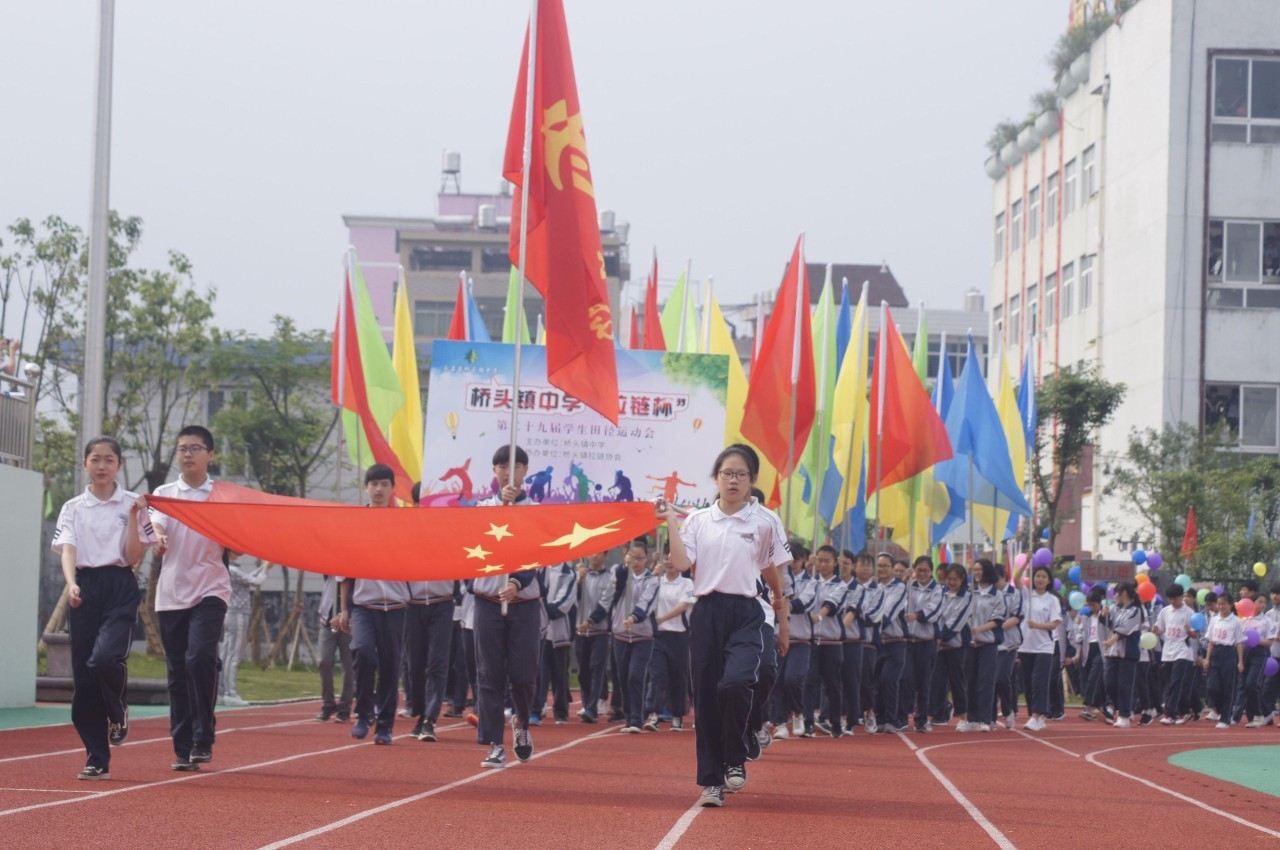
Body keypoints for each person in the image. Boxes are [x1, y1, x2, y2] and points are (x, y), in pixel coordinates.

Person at [658, 445, 788, 809]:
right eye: (727, 473)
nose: (733, 480)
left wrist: (778, 601)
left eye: (741, 474)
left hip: (746, 612)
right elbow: (684, 563)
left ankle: (735, 755)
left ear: (751, 481)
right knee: (706, 698)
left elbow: (768, 566)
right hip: (707, 611)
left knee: (737, 682)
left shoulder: (763, 521)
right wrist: (671, 520)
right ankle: (711, 782)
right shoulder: (698, 520)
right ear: (716, 478)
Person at [52, 436, 149, 780]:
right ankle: (96, 756)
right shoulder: (73, 507)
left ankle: (119, 711)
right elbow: (67, 549)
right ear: (85, 465)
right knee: (85, 677)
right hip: (85, 588)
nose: (102, 466)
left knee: (105, 658)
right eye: (95, 459)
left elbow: (135, 557)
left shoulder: (132, 504)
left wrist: (135, 517)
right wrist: (71, 582)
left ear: (119, 465)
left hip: (120, 585)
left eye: (109, 459)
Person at [144, 425, 233, 771]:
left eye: (195, 448)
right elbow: (158, 527)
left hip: (211, 588)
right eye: (182, 448)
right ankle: (183, 747)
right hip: (172, 594)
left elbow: (237, 546)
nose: (188, 454)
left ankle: (203, 735)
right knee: (178, 672)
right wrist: (159, 539)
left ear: (210, 455)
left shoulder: (221, 495)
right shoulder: (166, 493)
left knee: (199, 659)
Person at [471, 444, 542, 769]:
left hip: (524, 605)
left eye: (513, 466)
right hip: (487, 603)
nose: (506, 471)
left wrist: (516, 583)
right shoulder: (480, 509)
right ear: (494, 471)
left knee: (523, 675)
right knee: (489, 675)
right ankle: (494, 744)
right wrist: (502, 509)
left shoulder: (537, 511)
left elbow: (537, 554)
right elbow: (473, 546)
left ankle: (522, 724)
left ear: (524, 471)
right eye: (500, 466)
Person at [335, 464, 408, 746]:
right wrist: (343, 609)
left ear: (392, 489)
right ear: (366, 487)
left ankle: (385, 725)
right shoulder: (357, 522)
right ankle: (364, 713)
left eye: (384, 484)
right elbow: (344, 570)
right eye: (373, 484)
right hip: (363, 606)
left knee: (391, 667)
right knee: (363, 653)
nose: (378, 490)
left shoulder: (404, 523)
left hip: (396, 607)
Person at [587, 539, 659, 734]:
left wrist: (634, 617)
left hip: (642, 636)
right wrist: (624, 566)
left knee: (636, 675)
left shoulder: (651, 580)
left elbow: (646, 603)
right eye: (633, 558)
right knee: (623, 677)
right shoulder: (620, 572)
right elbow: (614, 588)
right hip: (620, 635)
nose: (637, 562)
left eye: (640, 558)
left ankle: (637, 717)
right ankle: (629, 717)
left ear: (646, 558)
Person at [646, 547, 695, 732]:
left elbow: (684, 606)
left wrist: (662, 618)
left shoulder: (688, 584)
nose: (669, 562)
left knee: (678, 678)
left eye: (673, 558)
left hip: (680, 637)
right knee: (658, 676)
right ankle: (654, 714)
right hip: (659, 637)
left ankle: (677, 716)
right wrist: (652, 575)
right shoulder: (656, 581)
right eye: (667, 558)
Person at [805, 546, 847, 737]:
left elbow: (831, 604)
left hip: (832, 642)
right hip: (812, 641)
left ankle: (836, 722)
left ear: (834, 562)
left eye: (827, 561)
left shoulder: (841, 585)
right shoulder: (811, 582)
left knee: (832, 685)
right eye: (820, 560)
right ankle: (807, 722)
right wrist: (807, 569)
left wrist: (819, 616)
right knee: (809, 681)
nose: (822, 564)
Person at [773, 544, 814, 740]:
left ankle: (798, 713)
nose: (793, 563)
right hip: (778, 635)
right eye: (790, 559)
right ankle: (780, 722)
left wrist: (784, 602)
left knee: (793, 678)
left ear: (804, 560)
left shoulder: (810, 582)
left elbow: (802, 605)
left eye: (797, 559)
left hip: (800, 638)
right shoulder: (779, 573)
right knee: (777, 680)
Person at [218, 557, 270, 707]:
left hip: (232, 614)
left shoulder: (231, 569)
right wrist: (265, 569)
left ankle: (222, 691)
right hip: (238, 614)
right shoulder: (231, 570)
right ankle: (231, 692)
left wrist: (263, 567)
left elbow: (248, 578)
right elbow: (255, 582)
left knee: (227, 653)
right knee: (234, 654)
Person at [959, 559, 1002, 733]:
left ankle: (985, 718)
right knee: (969, 681)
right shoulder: (969, 591)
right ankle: (972, 718)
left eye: (979, 570)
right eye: (974, 570)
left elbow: (997, 620)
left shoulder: (996, 594)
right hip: (969, 644)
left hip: (987, 644)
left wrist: (977, 630)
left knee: (985, 682)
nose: (976, 573)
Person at [1019, 565, 1062, 732]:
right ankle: (1036, 715)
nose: (1040, 579)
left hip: (1044, 647)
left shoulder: (1052, 600)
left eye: (1044, 576)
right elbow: (1015, 580)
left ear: (1049, 580)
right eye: (1037, 576)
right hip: (1026, 646)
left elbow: (1054, 624)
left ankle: (1036, 715)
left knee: (1039, 682)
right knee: (1028, 683)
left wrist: (1037, 625)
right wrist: (1026, 562)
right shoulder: (1027, 595)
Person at [537, 560, 578, 725]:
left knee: (559, 673)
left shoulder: (568, 574)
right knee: (540, 671)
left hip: (560, 631)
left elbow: (564, 603)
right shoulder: (541, 570)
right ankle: (537, 707)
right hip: (541, 630)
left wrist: (543, 611)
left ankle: (561, 711)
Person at [906, 556, 944, 733]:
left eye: (926, 570)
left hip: (926, 642)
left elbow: (933, 612)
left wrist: (916, 616)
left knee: (924, 683)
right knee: (906, 680)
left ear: (931, 572)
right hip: (908, 641)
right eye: (919, 570)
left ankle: (921, 719)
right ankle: (902, 715)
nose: (922, 574)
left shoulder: (937, 590)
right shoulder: (908, 587)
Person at [873, 558, 910, 734]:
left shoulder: (900, 588)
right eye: (879, 566)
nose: (882, 569)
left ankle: (891, 719)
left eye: (886, 566)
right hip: (878, 642)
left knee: (889, 679)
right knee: (877, 681)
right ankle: (879, 718)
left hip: (896, 642)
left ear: (892, 568)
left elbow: (887, 613)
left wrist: (871, 627)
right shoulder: (874, 587)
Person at [575, 552, 612, 723]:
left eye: (599, 553)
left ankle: (592, 708)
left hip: (600, 631)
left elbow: (605, 604)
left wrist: (590, 621)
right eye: (592, 553)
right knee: (583, 672)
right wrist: (578, 581)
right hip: (581, 632)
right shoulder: (581, 575)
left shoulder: (609, 578)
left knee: (596, 668)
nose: (594, 556)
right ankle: (587, 703)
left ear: (605, 555)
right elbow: (573, 599)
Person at [1152, 583, 1197, 725]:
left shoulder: (1189, 613)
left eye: (1175, 598)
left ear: (1181, 597)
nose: (1173, 601)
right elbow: (1160, 629)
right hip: (1167, 651)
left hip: (1183, 651)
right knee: (1170, 683)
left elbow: (1195, 634)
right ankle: (1185, 711)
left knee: (1176, 682)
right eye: (1170, 599)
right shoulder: (1165, 611)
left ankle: (1169, 713)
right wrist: (1157, 630)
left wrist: (1189, 631)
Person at [1103, 582, 1142, 728]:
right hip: (1112, 653)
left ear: (1124, 593)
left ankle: (1124, 715)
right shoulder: (1114, 608)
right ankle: (1115, 707)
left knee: (1124, 686)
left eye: (1117, 593)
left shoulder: (1135, 611)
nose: (1114, 596)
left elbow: (1125, 629)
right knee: (1109, 682)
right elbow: (1107, 623)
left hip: (1127, 654)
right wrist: (1103, 614)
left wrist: (1111, 641)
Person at [316, 573, 354, 722]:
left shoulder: (355, 571)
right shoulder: (329, 568)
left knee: (349, 666)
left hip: (349, 622)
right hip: (327, 621)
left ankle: (344, 707)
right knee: (324, 661)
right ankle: (328, 703)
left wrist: (344, 614)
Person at [1204, 591, 1245, 729]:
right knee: (1212, 687)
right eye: (1219, 604)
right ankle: (1221, 709)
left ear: (1231, 605)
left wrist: (1240, 661)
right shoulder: (1214, 619)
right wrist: (1207, 658)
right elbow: (1210, 641)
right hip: (1216, 652)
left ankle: (1225, 718)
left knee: (1228, 687)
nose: (1221, 607)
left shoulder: (1237, 621)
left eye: (1224, 604)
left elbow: (1239, 642)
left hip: (1229, 653)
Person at [994, 562, 1024, 730]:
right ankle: (989, 716)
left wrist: (995, 626)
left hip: (1009, 643)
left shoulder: (1015, 594)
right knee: (989, 680)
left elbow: (1016, 617)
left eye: (995, 579)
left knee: (1002, 678)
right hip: (989, 642)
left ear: (1003, 577)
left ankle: (1008, 710)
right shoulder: (989, 593)